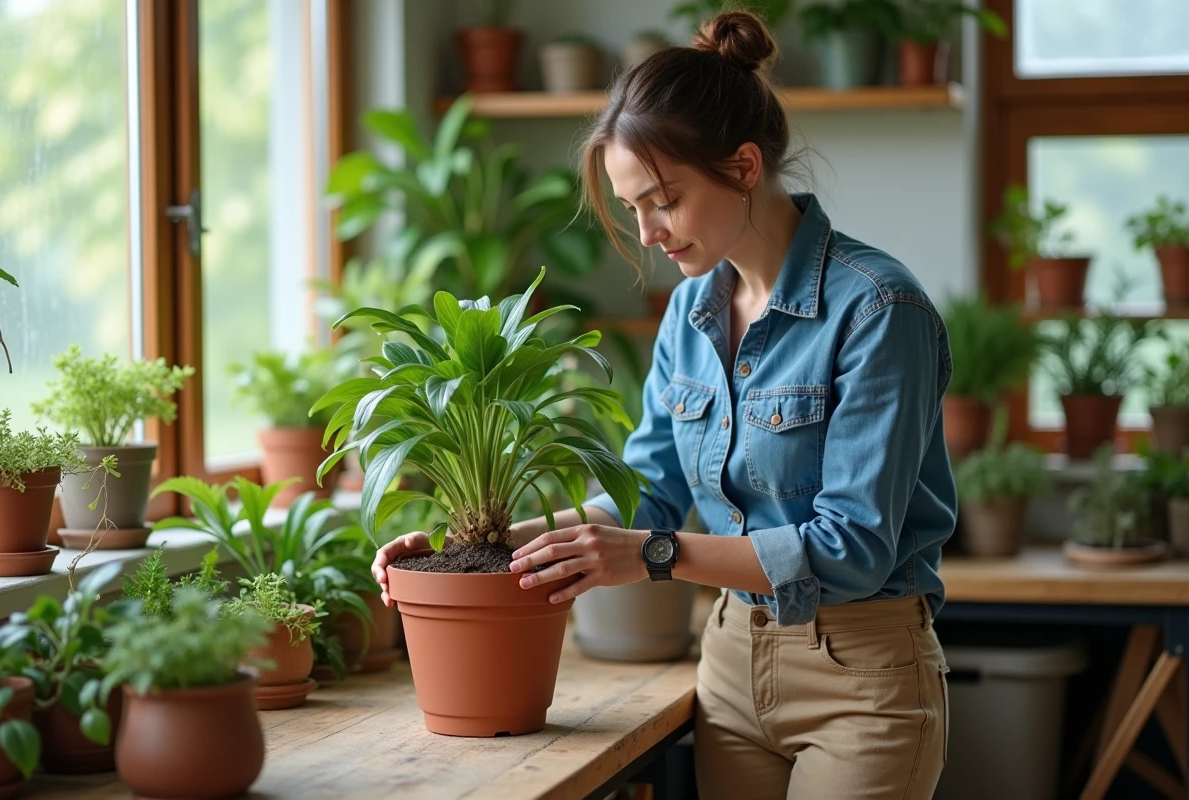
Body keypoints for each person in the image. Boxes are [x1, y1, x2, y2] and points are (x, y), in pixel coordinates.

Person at [373, 9, 955, 799]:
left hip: (862, 679)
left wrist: (654, 554)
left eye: (664, 200)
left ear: (745, 167)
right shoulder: (689, 314)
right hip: (727, 664)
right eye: (632, 207)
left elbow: (854, 548)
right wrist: (482, 545)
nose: (646, 232)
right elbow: (644, 493)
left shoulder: (879, 309)